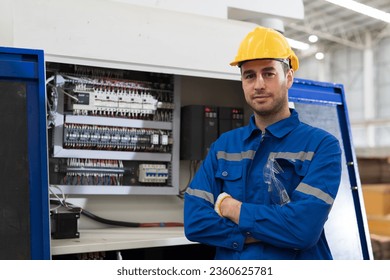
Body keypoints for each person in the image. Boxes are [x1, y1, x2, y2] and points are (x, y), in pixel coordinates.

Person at [183, 26, 342, 260]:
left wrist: (232, 209)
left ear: (288, 78)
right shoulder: (224, 147)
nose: (258, 84)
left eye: (268, 73)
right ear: (242, 82)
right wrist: (265, 230)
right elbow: (195, 222)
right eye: (249, 75)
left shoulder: (321, 146)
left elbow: (303, 231)